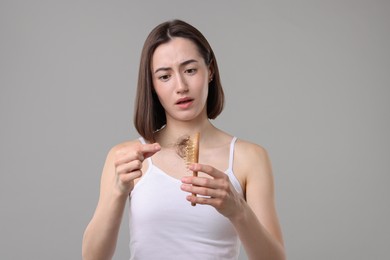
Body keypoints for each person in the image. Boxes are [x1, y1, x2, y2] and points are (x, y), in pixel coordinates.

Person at [82, 19, 285, 260]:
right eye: (165, 76)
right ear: (153, 86)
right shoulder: (125, 158)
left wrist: (238, 211)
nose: (181, 86)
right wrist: (117, 191)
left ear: (209, 71)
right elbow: (93, 257)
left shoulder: (249, 158)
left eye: (190, 70)